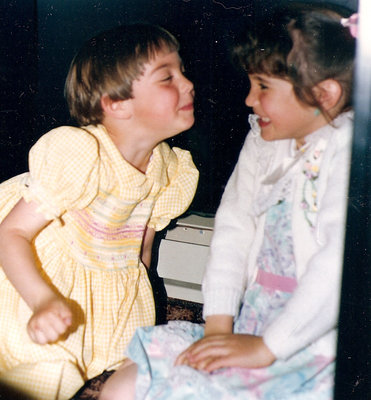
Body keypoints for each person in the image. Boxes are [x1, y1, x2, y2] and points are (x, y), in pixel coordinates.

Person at [99, 4, 356, 400]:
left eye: (263, 87)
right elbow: (233, 228)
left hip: (311, 342)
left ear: (325, 94)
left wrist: (269, 347)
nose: (250, 100)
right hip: (251, 324)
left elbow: (338, 268)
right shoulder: (263, 141)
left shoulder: (349, 153)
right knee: (122, 387)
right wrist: (218, 327)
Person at [0, 23, 198, 400]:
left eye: (183, 71)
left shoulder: (167, 168)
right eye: (167, 77)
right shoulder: (81, 154)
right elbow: (11, 234)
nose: (187, 84)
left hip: (107, 281)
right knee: (40, 370)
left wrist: (135, 308)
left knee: (135, 363)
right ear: (116, 102)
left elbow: (141, 250)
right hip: (35, 278)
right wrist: (42, 301)